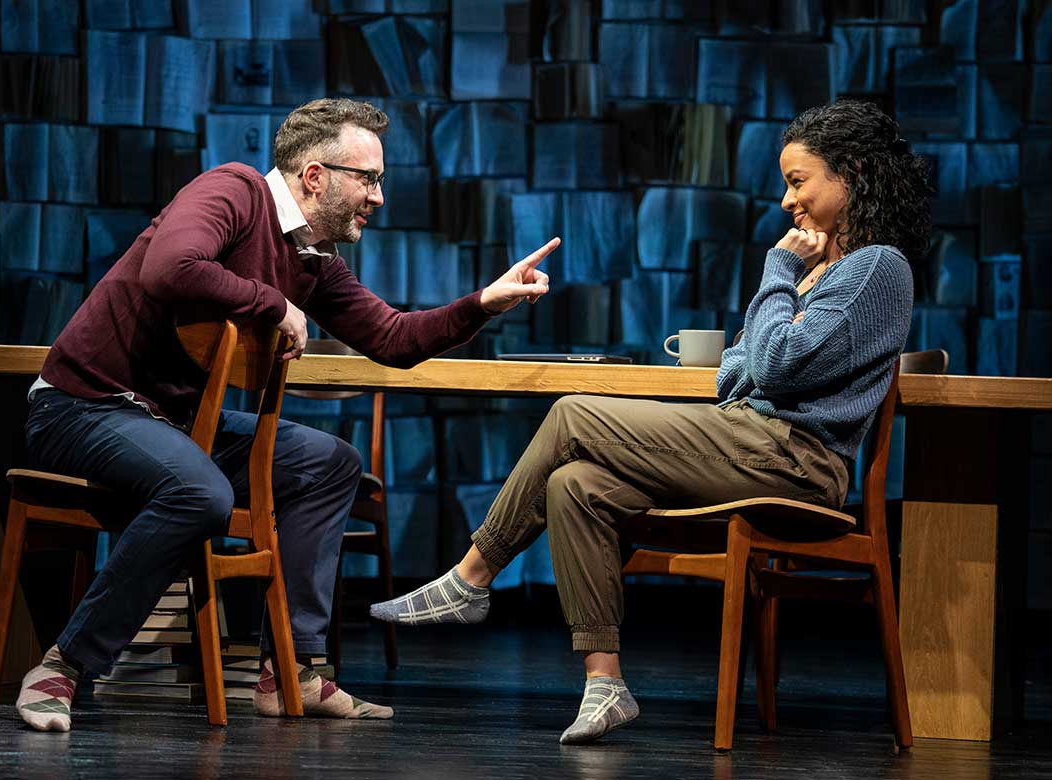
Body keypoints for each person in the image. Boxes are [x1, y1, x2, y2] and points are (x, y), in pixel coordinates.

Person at [371, 100, 931, 745]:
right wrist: (776, 332)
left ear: (853, 174)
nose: (786, 201)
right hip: (751, 441)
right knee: (574, 484)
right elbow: (735, 372)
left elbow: (770, 368)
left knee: (574, 413)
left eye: (798, 181)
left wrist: (776, 284)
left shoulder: (875, 266)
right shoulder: (821, 272)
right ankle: (604, 684)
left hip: (796, 460)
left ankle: (471, 577)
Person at [14, 98, 560, 732]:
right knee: (200, 491)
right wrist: (272, 305)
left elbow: (392, 339)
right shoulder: (233, 190)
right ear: (314, 176)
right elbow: (172, 267)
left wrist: (483, 303)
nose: (379, 197)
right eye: (369, 179)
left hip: (170, 426)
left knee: (329, 463)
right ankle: (66, 665)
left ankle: (293, 670)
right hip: (83, 406)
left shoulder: (314, 260)